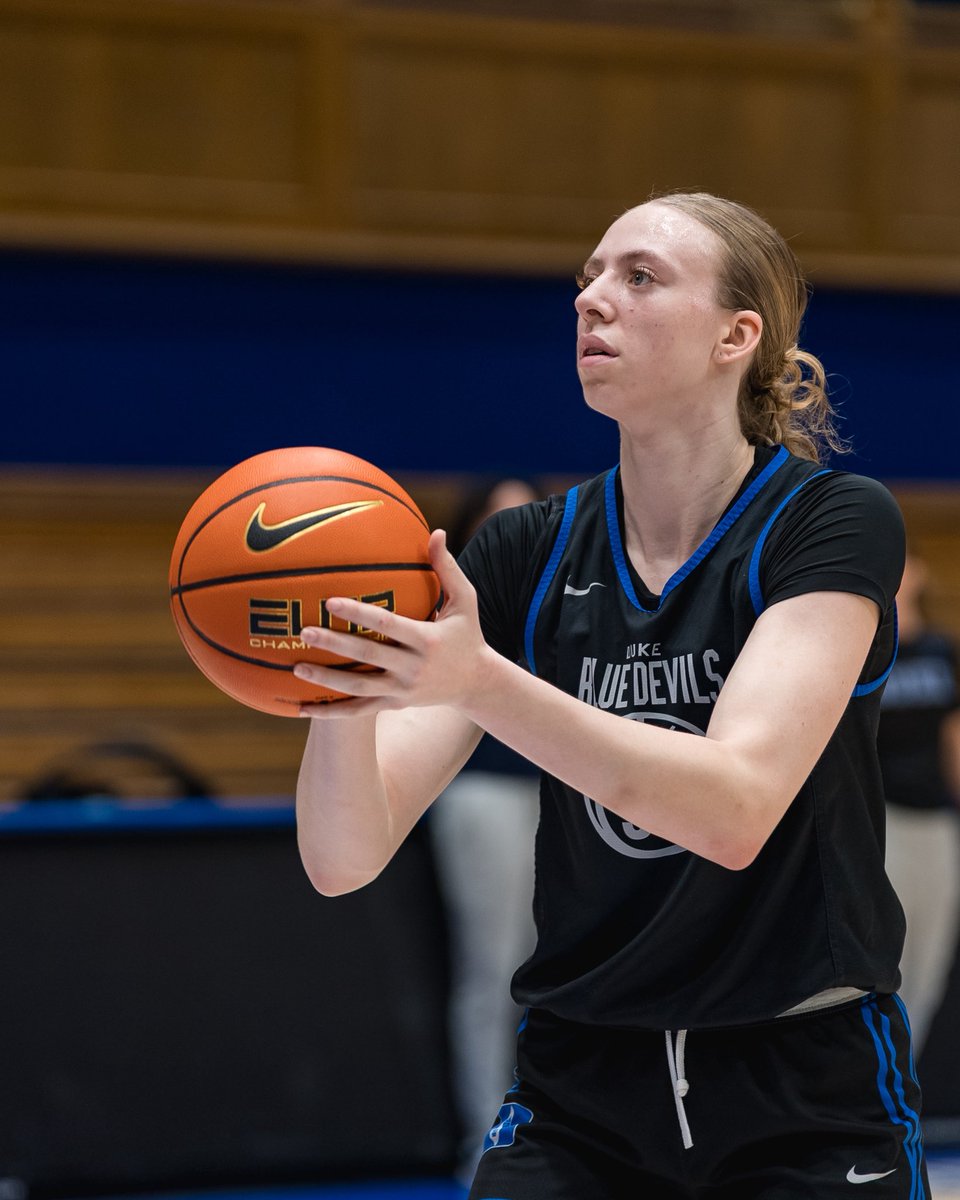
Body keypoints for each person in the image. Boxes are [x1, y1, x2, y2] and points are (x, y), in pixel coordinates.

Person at [293, 192, 926, 1198]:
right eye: (588, 276)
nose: (594, 299)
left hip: (800, 1081)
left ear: (737, 334)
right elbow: (342, 857)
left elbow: (733, 808)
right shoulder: (527, 550)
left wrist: (480, 679)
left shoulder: (830, 523)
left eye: (639, 276)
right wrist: (339, 698)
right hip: (583, 1088)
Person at [429, 479, 541, 1178]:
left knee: (561, 972)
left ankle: (560, 1133)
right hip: (486, 794)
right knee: (493, 970)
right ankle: (486, 1139)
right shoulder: (453, 616)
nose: (512, 533)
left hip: (564, 795)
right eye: (498, 521)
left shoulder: (571, 598)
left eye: (525, 518)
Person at [878, 551, 960, 1055]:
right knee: (891, 957)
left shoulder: (939, 649)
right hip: (883, 821)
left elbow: (952, 734)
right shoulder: (865, 648)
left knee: (932, 960)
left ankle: (906, 1077)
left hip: (936, 822)